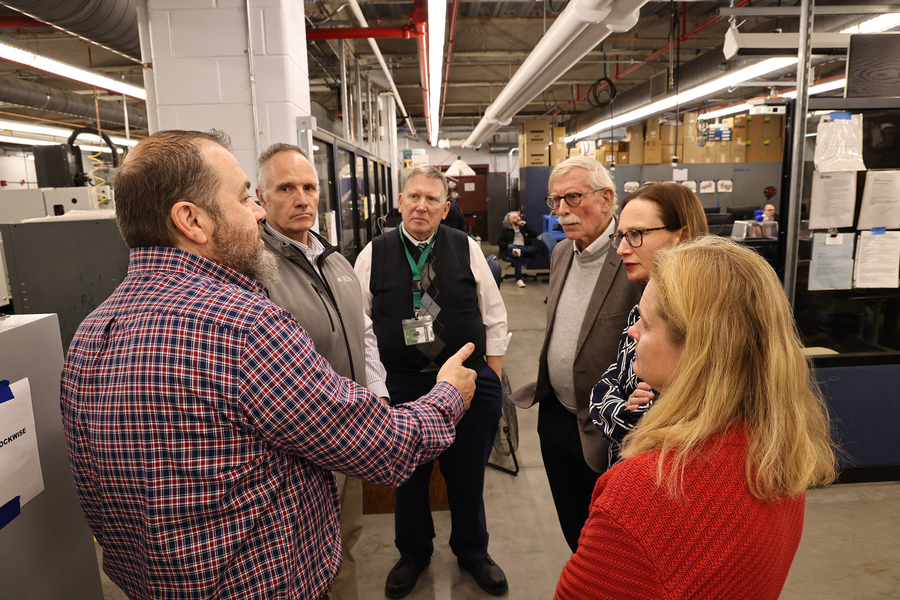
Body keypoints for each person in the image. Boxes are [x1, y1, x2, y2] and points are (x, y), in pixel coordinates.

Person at [60, 130, 478, 600]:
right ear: (191, 220)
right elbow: (385, 450)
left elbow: (99, 502)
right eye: (244, 198)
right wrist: (447, 395)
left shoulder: (90, 334)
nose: (258, 212)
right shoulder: (244, 326)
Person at [555, 236, 837, 599]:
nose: (632, 331)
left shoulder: (643, 490)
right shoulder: (779, 455)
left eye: (645, 322)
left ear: (697, 348)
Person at [354, 165, 510, 598]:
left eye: (431, 200)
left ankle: (473, 552)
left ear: (445, 209)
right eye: (413, 197)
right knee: (408, 477)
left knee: (467, 476)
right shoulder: (374, 253)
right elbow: (361, 325)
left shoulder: (467, 248)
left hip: (468, 384)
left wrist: (489, 380)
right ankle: (413, 554)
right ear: (400, 202)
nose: (421, 205)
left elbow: (494, 315)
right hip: (403, 387)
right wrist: (377, 391)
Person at [255, 143, 387, 600]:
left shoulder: (335, 260)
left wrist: (378, 394)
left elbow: (363, 330)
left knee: (346, 538)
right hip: (294, 451)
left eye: (309, 187)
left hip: (346, 434)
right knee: (301, 554)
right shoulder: (253, 270)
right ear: (261, 197)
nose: (301, 198)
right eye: (286, 188)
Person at [509, 155, 640, 553]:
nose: (562, 211)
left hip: (604, 426)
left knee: (611, 544)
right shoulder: (563, 252)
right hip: (556, 415)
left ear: (606, 199)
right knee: (574, 532)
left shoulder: (633, 255)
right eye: (554, 201)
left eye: (572, 197)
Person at [590, 182, 708, 465]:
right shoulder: (642, 311)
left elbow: (685, 427)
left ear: (683, 235)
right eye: (620, 236)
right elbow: (602, 391)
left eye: (636, 234)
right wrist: (630, 409)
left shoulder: (707, 321)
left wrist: (634, 413)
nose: (620, 249)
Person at [497, 210, 540, 287]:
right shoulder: (506, 230)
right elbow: (499, 242)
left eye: (518, 216)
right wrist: (509, 245)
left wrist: (526, 225)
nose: (518, 218)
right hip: (511, 249)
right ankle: (519, 279)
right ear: (510, 221)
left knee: (535, 248)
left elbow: (534, 235)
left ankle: (518, 251)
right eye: (514, 217)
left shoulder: (523, 228)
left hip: (524, 249)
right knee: (516, 253)